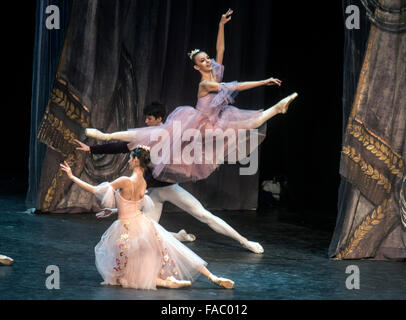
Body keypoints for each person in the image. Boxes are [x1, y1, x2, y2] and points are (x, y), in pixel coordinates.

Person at [85, 8, 298, 183]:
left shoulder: (216, 71)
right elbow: (235, 87)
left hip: (217, 121)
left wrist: (221, 25)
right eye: (203, 61)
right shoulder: (205, 83)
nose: (208, 61)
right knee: (153, 137)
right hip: (196, 124)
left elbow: (220, 49)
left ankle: (278, 108)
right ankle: (106, 136)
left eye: (207, 58)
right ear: (197, 68)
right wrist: (263, 81)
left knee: (252, 122)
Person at [75, 102, 265, 254]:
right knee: (147, 231)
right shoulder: (144, 137)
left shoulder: (175, 135)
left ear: (159, 119)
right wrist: (92, 149)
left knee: (203, 215)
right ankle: (178, 236)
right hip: (154, 191)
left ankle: (245, 241)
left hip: (170, 188)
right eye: (146, 118)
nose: (147, 121)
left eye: (150, 118)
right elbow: (120, 146)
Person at [59, 146, 235, 290]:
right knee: (175, 248)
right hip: (144, 223)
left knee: (122, 276)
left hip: (127, 228)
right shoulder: (143, 182)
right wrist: (113, 210)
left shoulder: (125, 181)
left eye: (129, 158)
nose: (128, 161)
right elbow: (133, 205)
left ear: (136, 160)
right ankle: (212, 276)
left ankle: (166, 282)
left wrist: (72, 176)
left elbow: (96, 190)